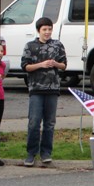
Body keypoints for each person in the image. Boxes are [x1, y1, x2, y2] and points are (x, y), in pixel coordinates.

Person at [21, 17, 67, 167]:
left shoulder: (57, 45)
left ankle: (46, 153)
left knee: (49, 123)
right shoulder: (30, 46)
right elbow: (25, 66)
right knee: (34, 122)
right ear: (38, 30)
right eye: (44, 29)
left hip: (53, 89)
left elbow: (64, 65)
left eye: (49, 29)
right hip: (36, 89)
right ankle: (31, 153)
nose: (47, 32)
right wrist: (41, 64)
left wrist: (55, 64)